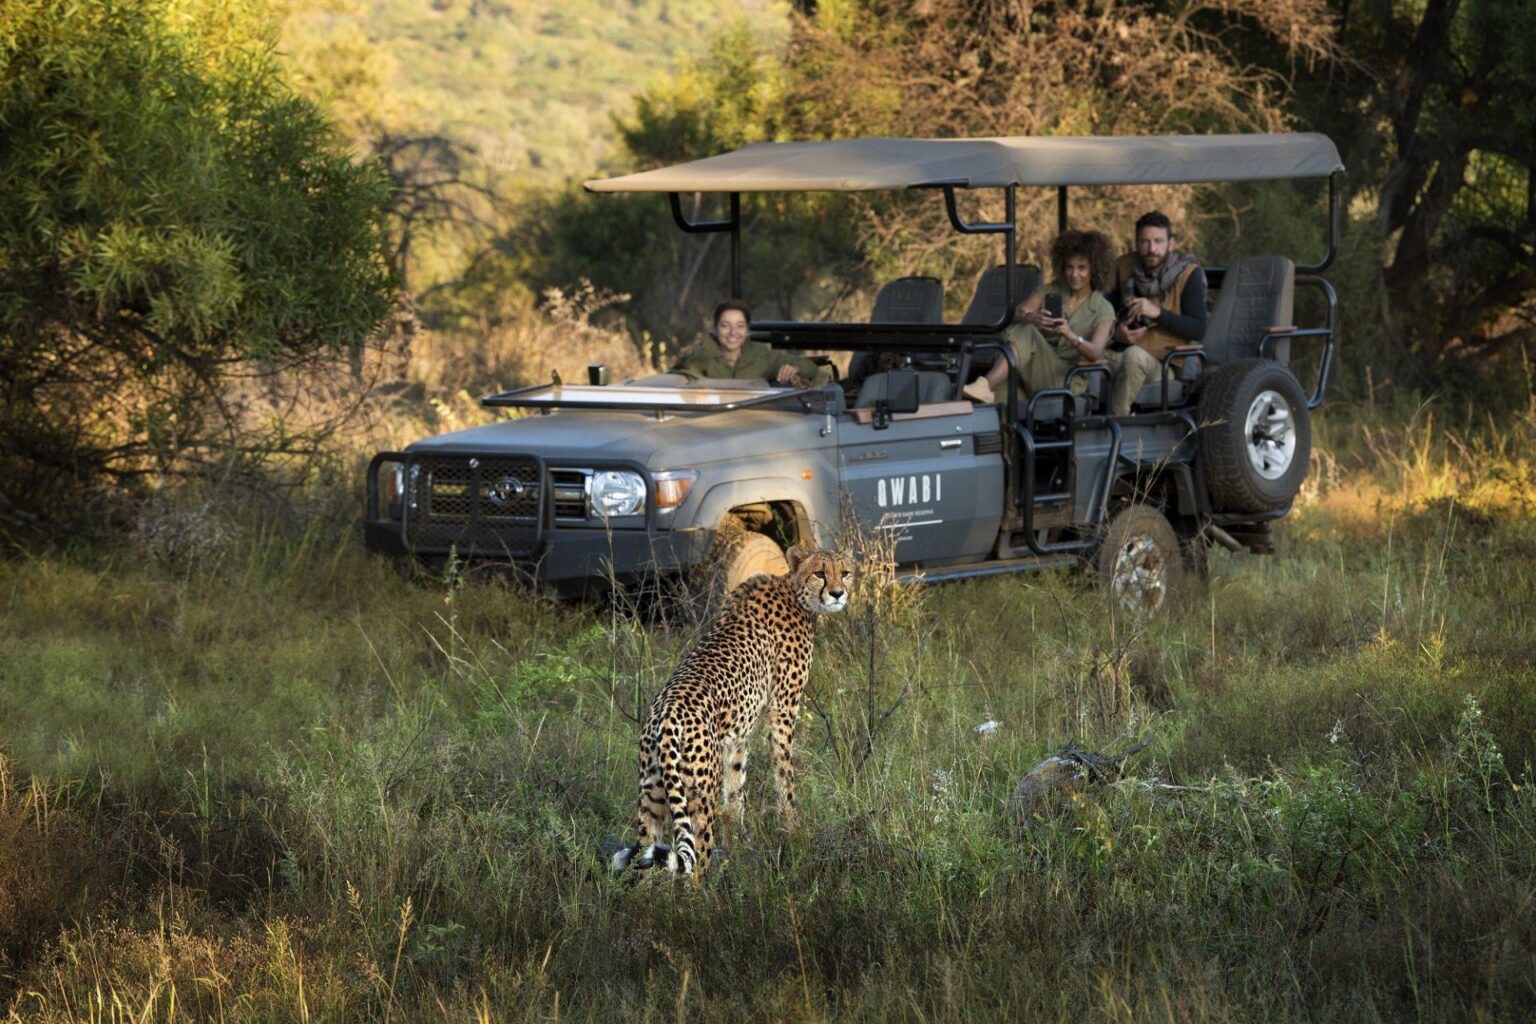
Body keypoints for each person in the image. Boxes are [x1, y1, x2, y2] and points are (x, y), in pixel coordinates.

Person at [972, 230, 1117, 403]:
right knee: (1004, 385)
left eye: (1082, 268)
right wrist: (1031, 317)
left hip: (1066, 378)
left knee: (1026, 333)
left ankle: (985, 385)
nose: (1074, 274)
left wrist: (1069, 335)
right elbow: (1015, 314)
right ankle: (1000, 422)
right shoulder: (1052, 290)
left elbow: (1094, 352)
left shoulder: (1103, 309)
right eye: (1069, 267)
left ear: (1095, 269)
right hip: (1034, 372)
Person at [1102, 211, 1207, 415]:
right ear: (1137, 243)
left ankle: (1116, 428)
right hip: (1123, 350)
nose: (1152, 249)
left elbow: (1198, 329)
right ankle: (1064, 427)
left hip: (1167, 364)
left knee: (1134, 357)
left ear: (1171, 243)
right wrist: (1117, 333)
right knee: (1082, 354)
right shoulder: (1123, 266)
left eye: (1158, 241)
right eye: (1145, 242)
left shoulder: (1188, 273)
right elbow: (1104, 314)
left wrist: (1158, 312)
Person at [672, 301, 827, 385]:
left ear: (747, 329)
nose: (733, 333)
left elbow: (811, 368)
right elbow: (674, 379)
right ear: (715, 328)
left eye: (740, 326)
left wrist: (795, 368)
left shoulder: (761, 355)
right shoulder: (700, 354)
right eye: (725, 326)